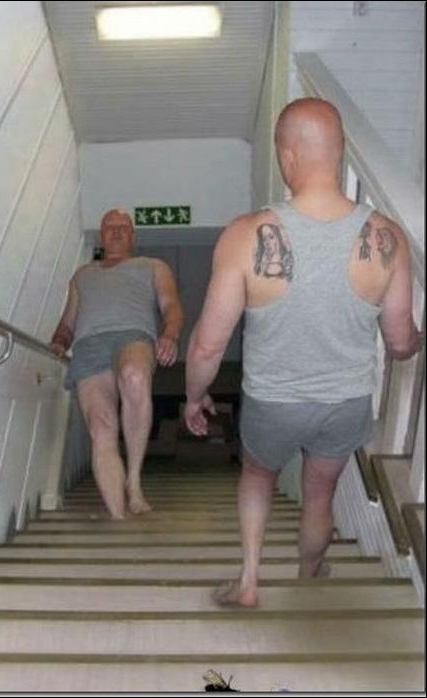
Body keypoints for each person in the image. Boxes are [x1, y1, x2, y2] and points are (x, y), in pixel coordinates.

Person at [184, 97, 422, 607]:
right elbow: (402, 344)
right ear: (339, 152)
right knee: (319, 494)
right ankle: (310, 573)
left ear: (286, 157)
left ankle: (250, 581)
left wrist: (194, 397)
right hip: (344, 403)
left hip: (273, 403)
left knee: (257, 476)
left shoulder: (244, 235)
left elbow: (207, 344)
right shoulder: (387, 237)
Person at [51, 209, 184, 519]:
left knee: (134, 376)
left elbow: (171, 305)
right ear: (101, 235)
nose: (116, 231)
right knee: (100, 427)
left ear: (133, 235)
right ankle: (118, 515)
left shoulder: (152, 266)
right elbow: (67, 324)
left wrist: (170, 334)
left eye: (123, 227)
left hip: (133, 335)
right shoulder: (82, 276)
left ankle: (134, 481)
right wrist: (58, 342)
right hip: (88, 345)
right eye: (109, 227)